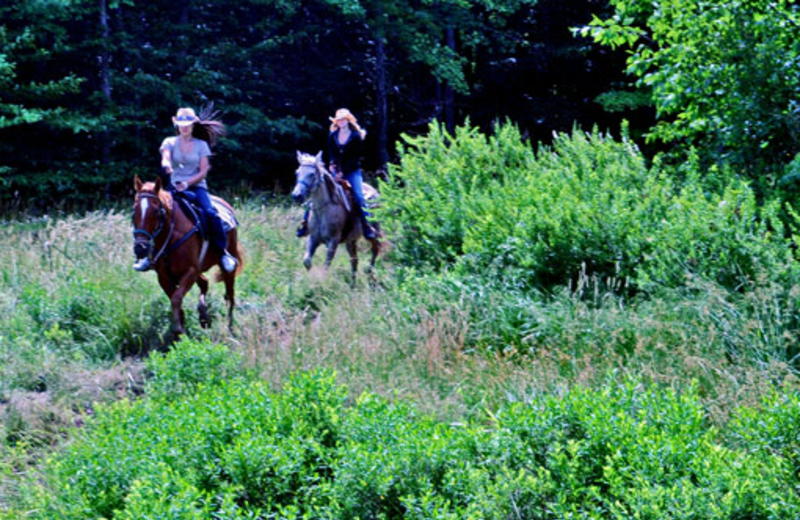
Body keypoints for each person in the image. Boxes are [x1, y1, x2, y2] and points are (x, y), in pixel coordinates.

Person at [133, 107, 238, 273]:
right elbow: (166, 157)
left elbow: (203, 171)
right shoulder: (169, 142)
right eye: (181, 124)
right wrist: (166, 165)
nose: (184, 127)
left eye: (188, 124)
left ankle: (222, 253)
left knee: (210, 213)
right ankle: (148, 256)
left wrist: (187, 183)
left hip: (197, 187)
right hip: (174, 188)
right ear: (176, 124)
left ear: (193, 125)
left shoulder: (201, 145)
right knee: (156, 215)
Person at [297, 108, 376, 239]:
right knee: (317, 191)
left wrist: (343, 172)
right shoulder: (332, 136)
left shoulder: (356, 136)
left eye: (343, 119)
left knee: (359, 196)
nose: (341, 122)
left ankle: (367, 226)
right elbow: (331, 153)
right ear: (336, 122)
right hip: (336, 169)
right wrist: (333, 166)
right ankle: (305, 224)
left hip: (352, 171)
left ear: (348, 120)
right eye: (339, 120)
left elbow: (355, 157)